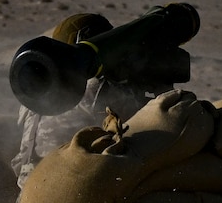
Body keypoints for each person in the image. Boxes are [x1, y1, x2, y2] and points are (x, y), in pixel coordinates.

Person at [10, 13, 149, 191]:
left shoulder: (37, 92)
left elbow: (19, 160)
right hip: (72, 202)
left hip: (28, 202)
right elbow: (144, 128)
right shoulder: (95, 89)